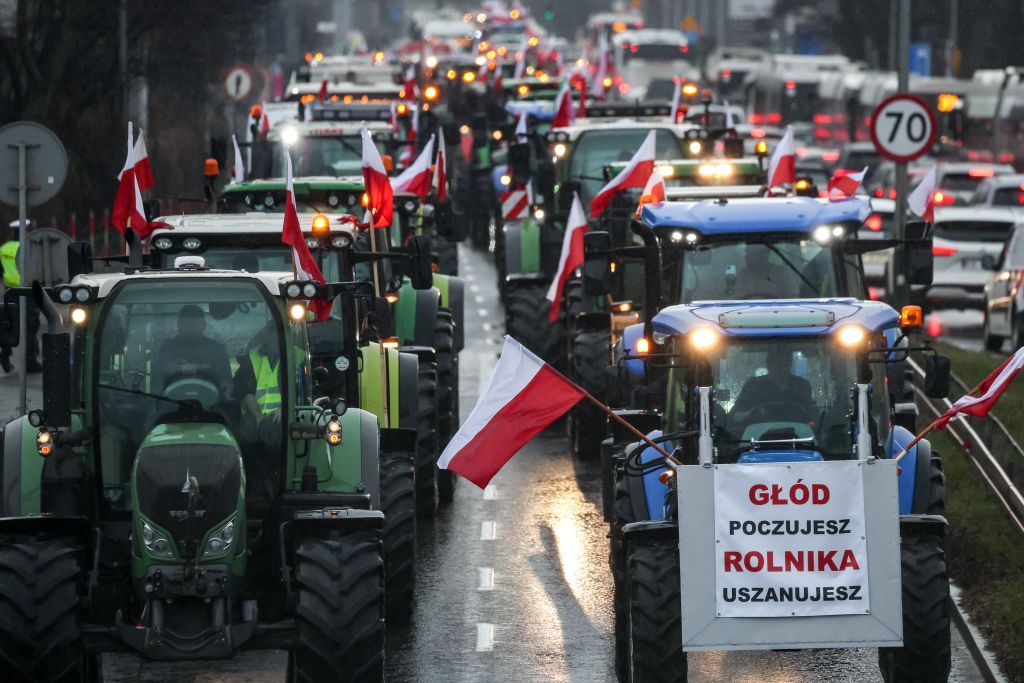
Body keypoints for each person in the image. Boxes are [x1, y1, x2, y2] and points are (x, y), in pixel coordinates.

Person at [155, 305, 231, 394]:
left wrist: (227, 397)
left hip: (210, 404)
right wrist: (181, 368)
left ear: (204, 326)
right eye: (186, 324)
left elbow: (226, 381)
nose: (190, 329)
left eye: (194, 325)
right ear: (178, 324)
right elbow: (164, 366)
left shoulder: (217, 349)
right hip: (172, 403)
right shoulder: (169, 346)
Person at [1, 220, 41, 372]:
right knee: (30, 326)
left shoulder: (4, 248)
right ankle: (30, 361)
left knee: (8, 325)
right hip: (27, 291)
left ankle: (5, 357)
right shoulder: (29, 247)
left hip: (9, 292)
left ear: (13, 232)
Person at [730, 348, 813, 421]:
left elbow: (810, 416)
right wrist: (749, 414)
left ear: (791, 364)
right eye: (777, 363)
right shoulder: (752, 386)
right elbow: (734, 416)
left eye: (785, 364)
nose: (781, 368)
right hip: (757, 437)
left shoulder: (802, 386)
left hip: (799, 436)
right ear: (768, 364)